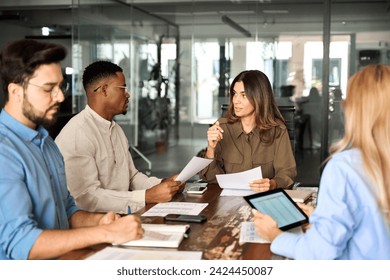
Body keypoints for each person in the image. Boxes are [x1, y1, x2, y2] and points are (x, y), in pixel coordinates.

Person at [0, 39, 143, 260]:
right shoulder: (4, 152)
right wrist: (104, 232)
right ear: (16, 91)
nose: (60, 97)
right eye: (49, 88)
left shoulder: (46, 143)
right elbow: (21, 244)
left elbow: (66, 211)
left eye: (61, 86)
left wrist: (100, 221)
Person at [252, 64, 390, 259]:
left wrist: (275, 236)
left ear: (356, 110)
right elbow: (370, 228)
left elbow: (320, 253)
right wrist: (320, 217)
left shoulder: (344, 168)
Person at [55, 61, 182, 214]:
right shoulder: (78, 133)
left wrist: (164, 184)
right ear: (104, 90)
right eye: (123, 88)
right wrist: (146, 196)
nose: (127, 94)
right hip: (95, 227)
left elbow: (132, 177)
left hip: (121, 217)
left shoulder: (116, 129)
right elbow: (87, 198)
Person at [200, 70, 296, 191]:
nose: (236, 100)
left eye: (244, 95)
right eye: (235, 94)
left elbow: (287, 173)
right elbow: (211, 179)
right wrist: (211, 149)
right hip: (227, 201)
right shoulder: (222, 128)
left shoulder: (277, 131)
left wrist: (272, 184)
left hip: (263, 199)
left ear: (259, 98)